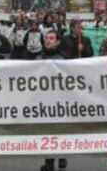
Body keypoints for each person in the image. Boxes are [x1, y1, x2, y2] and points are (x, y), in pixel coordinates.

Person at [37, 30, 68, 171]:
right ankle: (49, 163)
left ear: (57, 41)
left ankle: (62, 156)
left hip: (61, 102)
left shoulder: (63, 58)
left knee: (60, 130)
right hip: (44, 102)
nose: (48, 40)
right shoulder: (38, 58)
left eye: (51, 38)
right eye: (46, 38)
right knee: (47, 132)